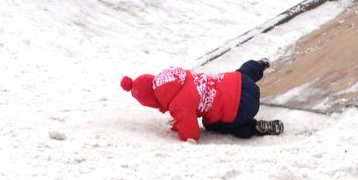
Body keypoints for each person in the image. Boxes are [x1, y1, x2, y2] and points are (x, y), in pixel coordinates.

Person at [120, 58, 283, 141]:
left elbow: (191, 135)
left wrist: (181, 127)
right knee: (241, 72)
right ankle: (259, 64)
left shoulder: (178, 105)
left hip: (243, 107)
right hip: (241, 82)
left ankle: (254, 128)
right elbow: (190, 95)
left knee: (211, 124)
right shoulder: (180, 76)